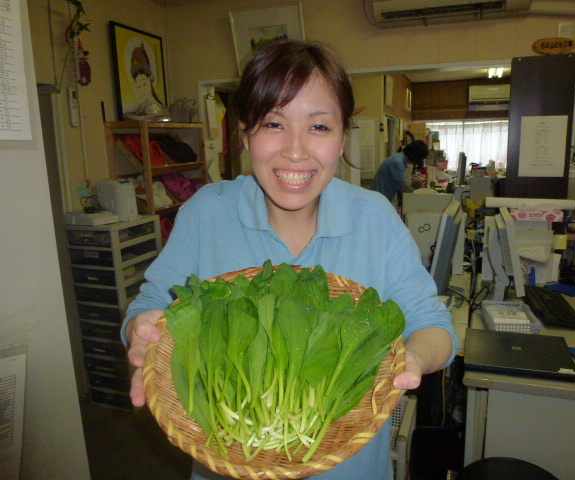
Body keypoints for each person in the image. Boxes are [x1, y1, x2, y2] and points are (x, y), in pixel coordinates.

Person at [123, 39, 457, 480]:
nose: (295, 150)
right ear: (246, 133)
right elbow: (152, 306)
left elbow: (433, 324)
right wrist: (142, 331)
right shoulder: (206, 212)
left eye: (319, 126)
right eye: (274, 124)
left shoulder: (375, 217)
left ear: (342, 137)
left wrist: (413, 360)